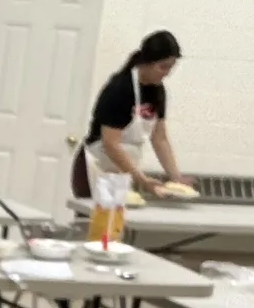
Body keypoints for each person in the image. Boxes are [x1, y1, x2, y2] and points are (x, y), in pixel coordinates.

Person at [70, 29, 190, 199]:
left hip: (121, 171)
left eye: (170, 68)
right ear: (147, 62)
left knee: (117, 214)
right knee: (100, 214)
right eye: (163, 67)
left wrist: (176, 177)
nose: (167, 73)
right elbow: (111, 144)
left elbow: (160, 138)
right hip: (96, 167)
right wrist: (141, 179)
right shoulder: (119, 89)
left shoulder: (157, 92)